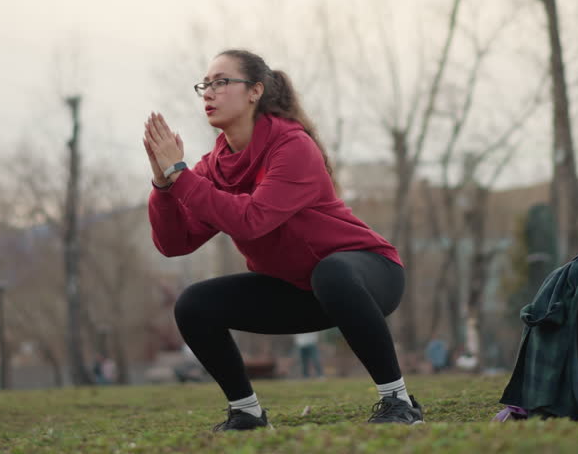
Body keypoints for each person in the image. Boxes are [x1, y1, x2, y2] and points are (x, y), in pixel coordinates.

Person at [143, 49, 423, 431]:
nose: (208, 92)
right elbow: (175, 243)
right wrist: (162, 183)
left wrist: (182, 175)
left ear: (255, 91)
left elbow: (253, 220)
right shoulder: (214, 166)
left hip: (369, 275)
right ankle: (247, 413)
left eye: (221, 82)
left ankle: (399, 402)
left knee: (332, 273)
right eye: (205, 85)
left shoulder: (292, 147)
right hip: (299, 289)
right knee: (194, 304)